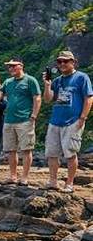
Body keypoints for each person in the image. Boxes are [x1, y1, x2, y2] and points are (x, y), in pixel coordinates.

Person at [42, 50, 93, 192]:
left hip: (73, 122)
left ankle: (69, 183)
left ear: (73, 62)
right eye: (59, 62)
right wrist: (47, 85)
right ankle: (53, 181)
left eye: (65, 61)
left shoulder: (82, 77)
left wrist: (83, 117)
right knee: (52, 153)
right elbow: (47, 99)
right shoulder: (57, 81)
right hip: (55, 121)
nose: (62, 64)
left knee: (70, 153)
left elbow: (89, 98)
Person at [0, 58, 41, 185]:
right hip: (9, 120)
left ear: (21, 66)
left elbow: (37, 98)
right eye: (9, 67)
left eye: (14, 66)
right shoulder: (8, 82)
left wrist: (34, 115)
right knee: (11, 150)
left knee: (26, 149)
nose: (11, 69)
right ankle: (13, 176)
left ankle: (24, 177)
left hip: (25, 120)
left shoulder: (30, 80)